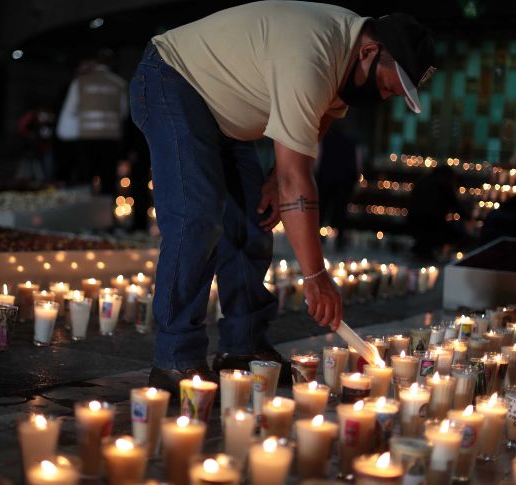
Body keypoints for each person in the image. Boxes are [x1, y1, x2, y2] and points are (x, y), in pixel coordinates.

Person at [130, 1, 436, 393]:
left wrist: (273, 179)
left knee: (252, 221)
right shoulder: (313, 56)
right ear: (369, 52)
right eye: (385, 86)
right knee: (198, 217)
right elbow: (298, 179)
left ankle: (243, 344)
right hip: (172, 79)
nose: (383, 96)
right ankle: (175, 359)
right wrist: (315, 276)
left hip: (223, 112)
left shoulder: (345, 66)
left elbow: (318, 123)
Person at [56, 49, 128, 194]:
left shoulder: (81, 82)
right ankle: (107, 214)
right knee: (108, 181)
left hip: (87, 137)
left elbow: (71, 109)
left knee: (85, 180)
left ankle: (87, 214)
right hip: (111, 138)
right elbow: (124, 112)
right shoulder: (119, 83)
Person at [407, 165, 471, 260]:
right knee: (454, 233)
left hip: (414, 219)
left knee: (426, 235)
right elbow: (454, 204)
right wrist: (468, 218)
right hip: (433, 221)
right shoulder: (443, 184)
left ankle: (422, 250)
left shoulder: (422, 181)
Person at [316, 125, 362, 249]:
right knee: (341, 210)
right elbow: (358, 160)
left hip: (326, 177)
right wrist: (357, 178)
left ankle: (319, 237)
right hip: (344, 180)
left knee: (322, 208)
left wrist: (317, 173)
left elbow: (318, 157)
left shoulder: (325, 139)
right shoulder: (351, 141)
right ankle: (339, 238)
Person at [15, 103, 56, 184]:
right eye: (43, 116)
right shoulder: (31, 118)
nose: (45, 118)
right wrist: (30, 135)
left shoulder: (50, 121)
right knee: (29, 165)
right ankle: (26, 181)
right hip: (31, 147)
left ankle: (44, 181)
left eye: (47, 116)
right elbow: (21, 127)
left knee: (46, 166)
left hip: (44, 147)